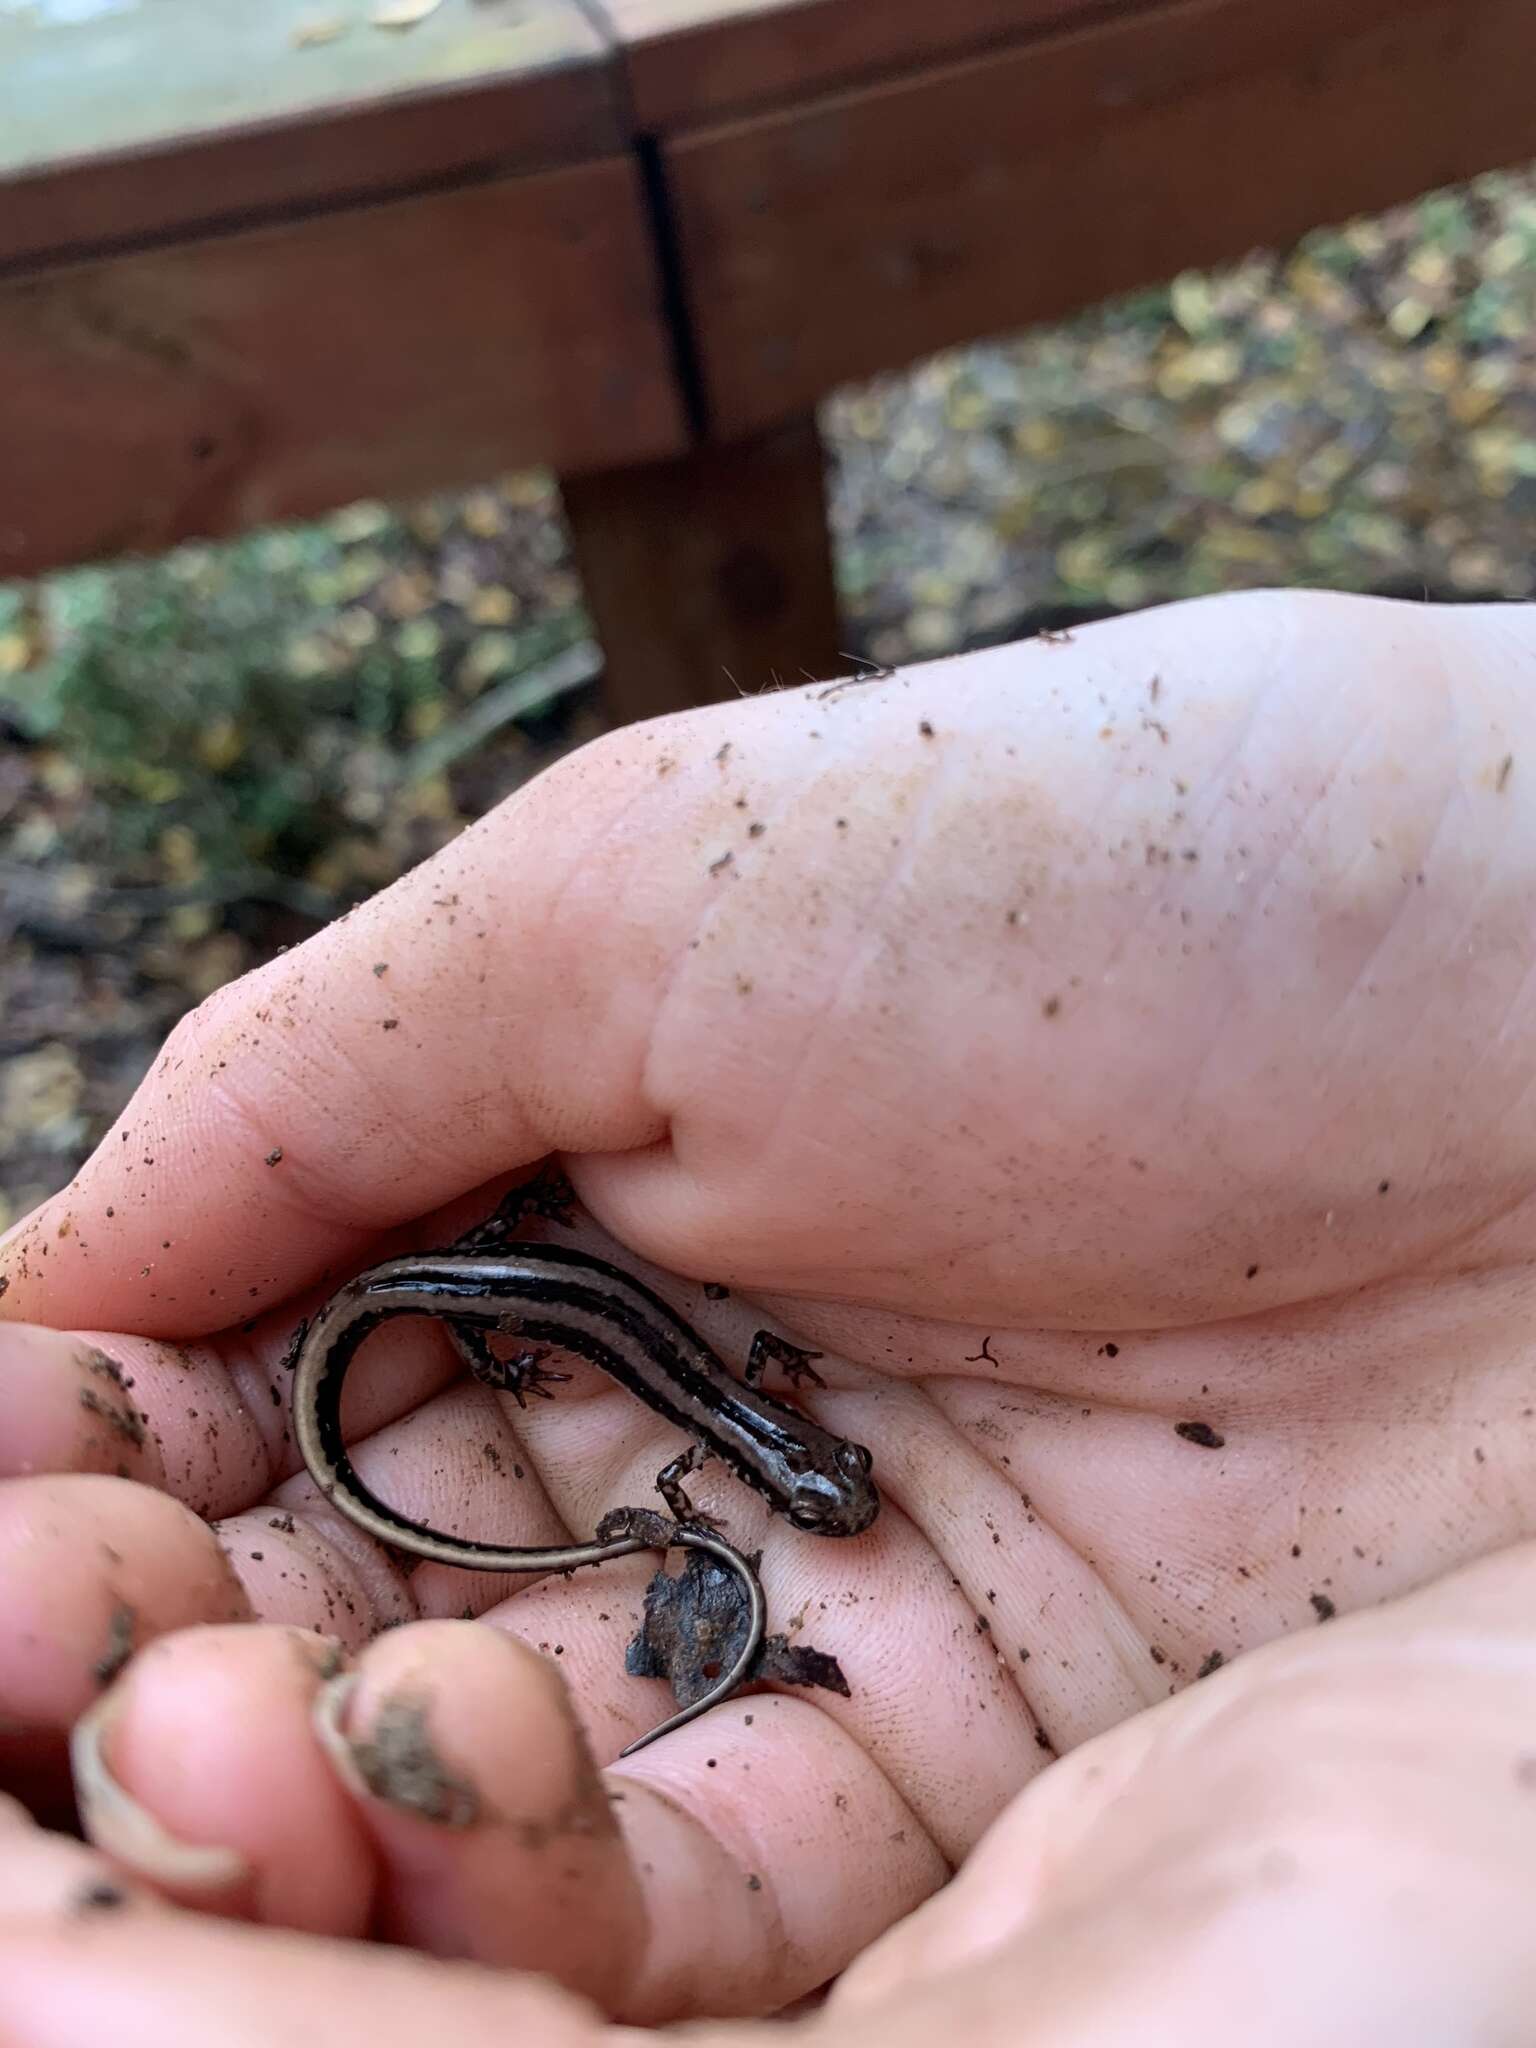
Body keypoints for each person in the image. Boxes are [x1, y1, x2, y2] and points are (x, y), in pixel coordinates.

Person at [2, 585, 1535, 2045]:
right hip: (458, 1298)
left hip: (501, 1294)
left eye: (826, 1489)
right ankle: (464, 1364)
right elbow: (709, 1421)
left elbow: (720, 1416)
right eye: (826, 1487)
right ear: (792, 1462)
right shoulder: (728, 1440)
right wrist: (550, 1393)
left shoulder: (732, 1435)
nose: (834, 1494)